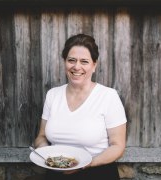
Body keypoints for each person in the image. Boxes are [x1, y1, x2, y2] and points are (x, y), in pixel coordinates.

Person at [34, 33, 127, 179]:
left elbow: (118, 146)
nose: (77, 66)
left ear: (94, 65)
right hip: (56, 173)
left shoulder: (108, 96)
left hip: (97, 173)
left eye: (84, 61)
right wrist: (47, 155)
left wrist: (88, 163)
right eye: (71, 60)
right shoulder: (53, 95)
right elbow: (41, 137)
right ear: (65, 62)